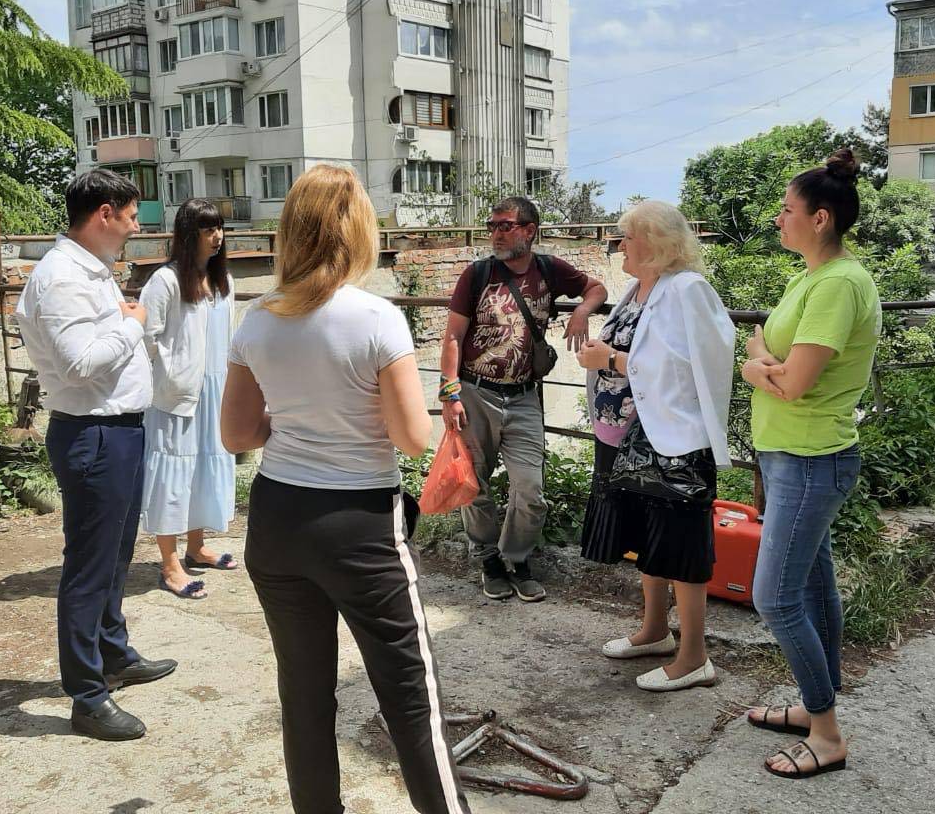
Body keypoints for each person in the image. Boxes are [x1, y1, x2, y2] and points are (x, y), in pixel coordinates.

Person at [221, 164, 471, 814]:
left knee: (304, 704)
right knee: (411, 702)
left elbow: (237, 434)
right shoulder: (376, 319)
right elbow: (413, 438)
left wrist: (298, 414)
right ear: (357, 229)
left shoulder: (255, 321)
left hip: (277, 524)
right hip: (360, 525)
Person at [14, 169, 176, 742]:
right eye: (131, 216)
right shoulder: (62, 277)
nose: (136, 226)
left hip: (118, 429)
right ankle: (86, 695)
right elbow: (82, 363)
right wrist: (133, 326)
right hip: (94, 434)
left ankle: (113, 654)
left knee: (113, 557)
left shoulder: (89, 271)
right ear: (104, 213)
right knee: (88, 567)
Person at [741, 148, 881, 779]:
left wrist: (755, 367)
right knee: (815, 586)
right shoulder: (808, 278)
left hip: (810, 458)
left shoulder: (838, 285)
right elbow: (772, 350)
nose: (778, 219)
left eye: (787, 210)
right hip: (789, 455)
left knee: (774, 597)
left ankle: (825, 733)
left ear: (820, 218)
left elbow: (791, 379)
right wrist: (765, 359)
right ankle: (813, 702)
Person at [575, 200, 735, 693]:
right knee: (647, 536)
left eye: (627, 236)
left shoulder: (688, 289)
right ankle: (653, 632)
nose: (619, 245)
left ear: (656, 242)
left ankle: (694, 657)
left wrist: (615, 362)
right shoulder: (635, 289)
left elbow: (702, 367)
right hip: (626, 439)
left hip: (671, 440)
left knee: (681, 545)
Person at [439, 196, 607, 602]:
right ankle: (487, 560)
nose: (496, 233)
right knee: (475, 484)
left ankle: (515, 557)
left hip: (524, 397)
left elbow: (597, 288)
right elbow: (452, 337)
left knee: (529, 487)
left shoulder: (549, 269)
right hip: (476, 393)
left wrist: (582, 312)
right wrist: (449, 394)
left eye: (506, 225)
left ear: (529, 230)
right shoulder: (477, 275)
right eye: (492, 225)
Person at [139, 199, 236, 601]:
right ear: (188, 232)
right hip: (178, 394)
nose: (217, 236)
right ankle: (169, 562)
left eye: (219, 228)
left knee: (203, 468)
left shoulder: (220, 278)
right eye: (207, 228)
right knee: (173, 473)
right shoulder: (165, 280)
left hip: (215, 387)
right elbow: (147, 333)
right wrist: (173, 370)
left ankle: (195, 547)